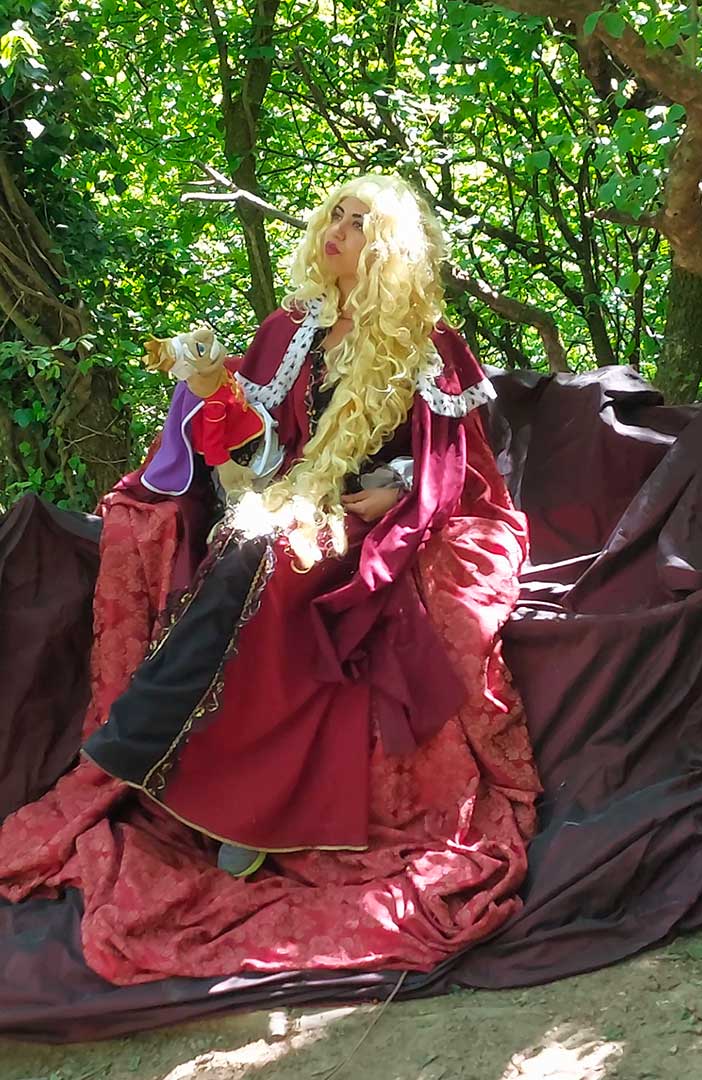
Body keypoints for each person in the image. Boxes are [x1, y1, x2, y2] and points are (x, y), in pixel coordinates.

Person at [0, 173, 541, 985]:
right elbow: (253, 437)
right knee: (249, 553)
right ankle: (180, 765)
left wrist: (395, 486)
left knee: (278, 568)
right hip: (292, 499)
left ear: (388, 246)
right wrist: (210, 391)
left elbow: (453, 459)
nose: (338, 231)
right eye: (334, 216)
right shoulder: (293, 328)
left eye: (358, 223)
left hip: (373, 512)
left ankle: (231, 797)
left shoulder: (426, 342)